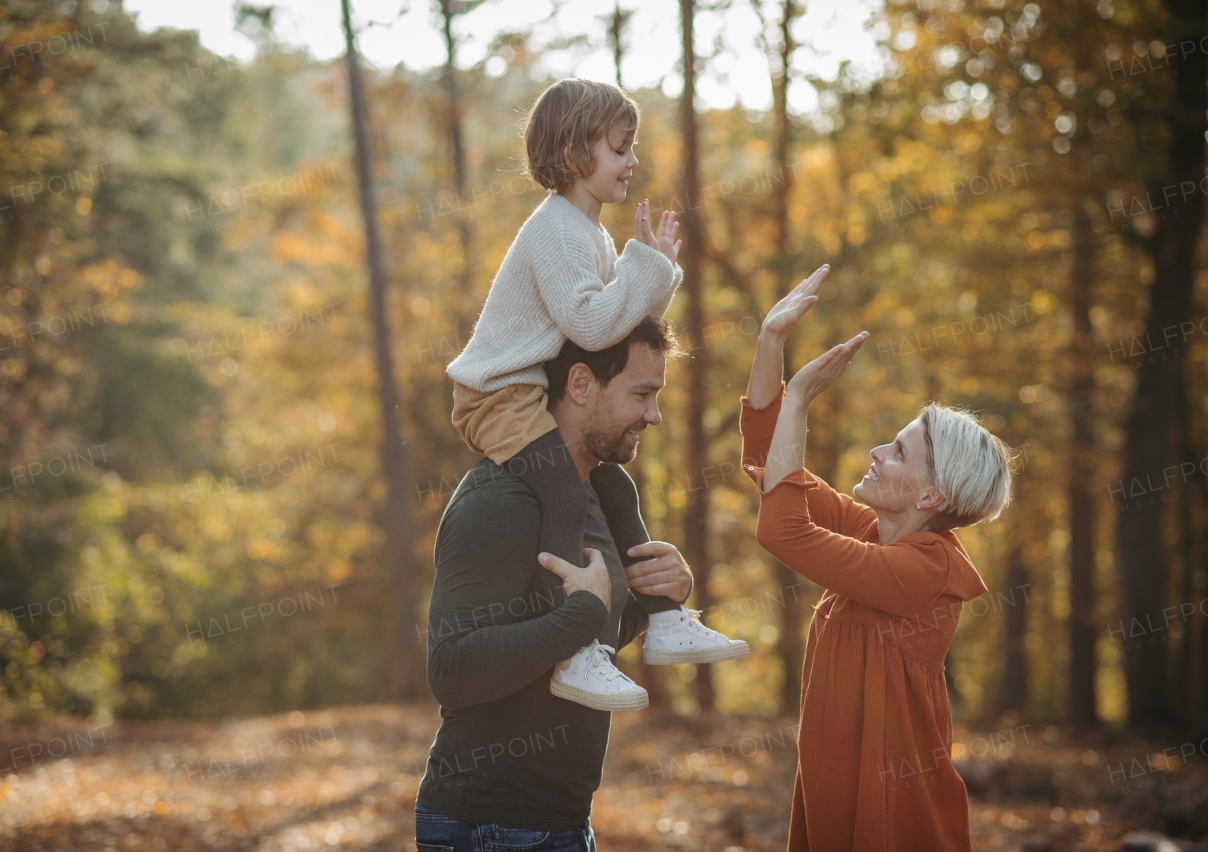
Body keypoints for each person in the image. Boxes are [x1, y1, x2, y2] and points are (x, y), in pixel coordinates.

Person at [446, 78, 746, 711]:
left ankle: (663, 619)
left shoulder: (590, 234)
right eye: (619, 148)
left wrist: (655, 267)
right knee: (561, 486)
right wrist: (645, 267)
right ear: (574, 151)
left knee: (613, 484)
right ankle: (577, 648)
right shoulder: (555, 228)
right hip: (496, 395)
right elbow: (589, 325)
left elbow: (620, 332)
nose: (632, 161)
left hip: (530, 391)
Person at [740, 265, 1014, 851]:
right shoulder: (876, 535)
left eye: (896, 452)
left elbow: (783, 531)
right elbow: (772, 465)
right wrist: (770, 343)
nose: (875, 451)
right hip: (834, 797)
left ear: (930, 497)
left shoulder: (925, 572)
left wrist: (802, 401)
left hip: (892, 817)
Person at [419, 318, 709, 849]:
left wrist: (656, 600)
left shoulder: (593, 490)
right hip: (490, 827)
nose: (654, 414)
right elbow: (452, 669)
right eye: (641, 393)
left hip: (562, 821)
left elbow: (581, 644)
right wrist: (579, 616)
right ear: (580, 385)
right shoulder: (498, 499)